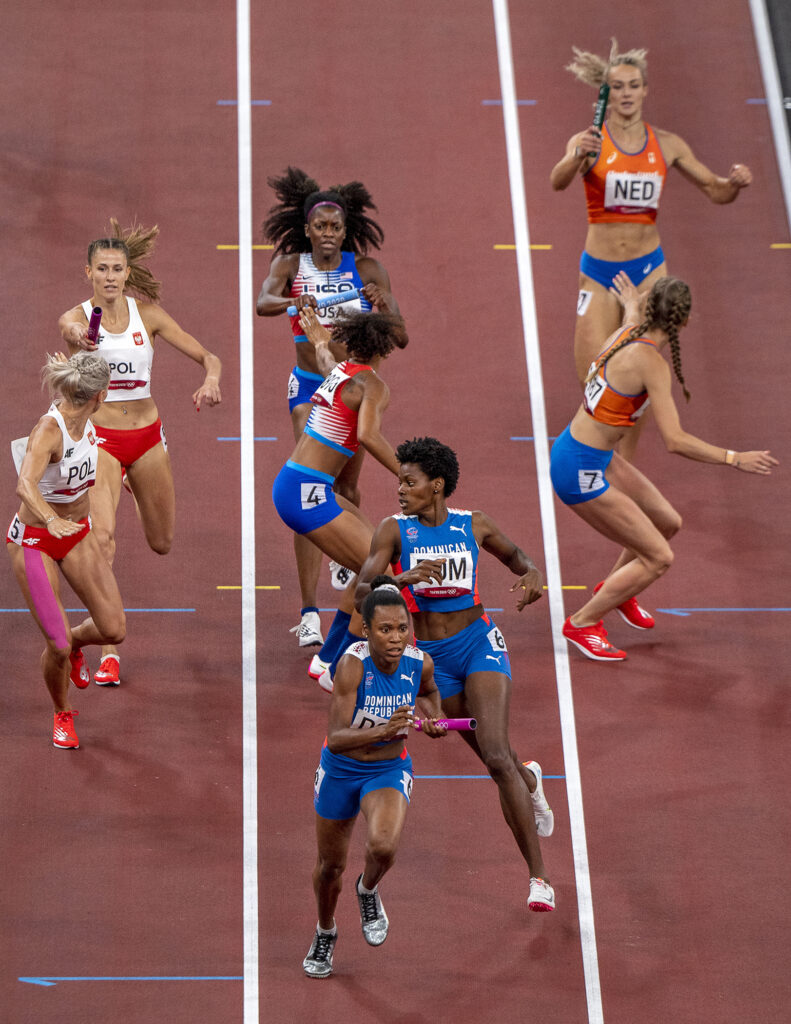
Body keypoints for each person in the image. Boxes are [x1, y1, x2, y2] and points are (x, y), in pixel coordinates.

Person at [355, 437, 556, 913]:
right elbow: (364, 585)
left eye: (410, 481)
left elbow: (522, 561)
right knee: (497, 760)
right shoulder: (394, 531)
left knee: (496, 756)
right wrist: (401, 580)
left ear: (436, 486)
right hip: (430, 659)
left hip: (478, 644)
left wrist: (532, 579)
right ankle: (530, 781)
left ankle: (539, 878)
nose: (400, 489)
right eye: (400, 481)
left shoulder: (474, 524)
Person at [550, 273, 777, 662]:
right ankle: (583, 623)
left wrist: (632, 307)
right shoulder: (652, 364)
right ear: (683, 322)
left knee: (668, 523)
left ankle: (620, 587)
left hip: (588, 453)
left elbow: (627, 322)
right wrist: (733, 458)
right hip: (579, 470)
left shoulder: (627, 335)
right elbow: (675, 440)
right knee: (659, 557)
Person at [550, 39, 752, 460]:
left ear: (645, 91)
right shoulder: (590, 141)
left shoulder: (668, 144)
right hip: (600, 272)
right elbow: (557, 180)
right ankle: (597, 450)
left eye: (634, 85)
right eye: (618, 87)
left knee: (635, 374)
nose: (626, 93)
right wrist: (575, 158)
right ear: (606, 93)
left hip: (647, 272)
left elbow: (715, 191)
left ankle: (625, 466)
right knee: (593, 374)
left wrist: (733, 185)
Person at [57, 221, 222, 685]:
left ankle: (134, 482)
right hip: (102, 441)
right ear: (87, 272)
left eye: (117, 269)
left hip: (147, 438)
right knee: (103, 540)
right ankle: (105, 650)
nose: (110, 277)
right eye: (102, 269)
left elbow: (210, 356)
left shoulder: (147, 316)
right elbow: (69, 332)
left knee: (162, 542)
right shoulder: (76, 318)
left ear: (127, 273)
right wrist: (77, 339)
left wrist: (210, 379)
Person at [256, 168, 401, 648]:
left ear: (345, 230)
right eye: (319, 226)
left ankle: (345, 555)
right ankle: (308, 611)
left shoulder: (367, 270)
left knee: (347, 486)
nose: (327, 234)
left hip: (353, 383)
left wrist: (382, 307)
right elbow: (263, 303)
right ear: (307, 230)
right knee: (310, 484)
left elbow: (399, 333)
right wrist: (293, 300)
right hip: (312, 382)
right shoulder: (292, 266)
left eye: (335, 227)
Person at [303, 576, 447, 979]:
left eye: (402, 628)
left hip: (387, 768)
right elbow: (336, 737)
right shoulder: (352, 664)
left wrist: (434, 717)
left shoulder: (420, 662)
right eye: (385, 629)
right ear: (367, 632)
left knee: (383, 847)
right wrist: (383, 729)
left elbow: (431, 693)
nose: (396, 638)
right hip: (341, 770)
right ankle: (325, 930)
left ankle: (367, 890)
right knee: (330, 867)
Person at [272, 307, 408, 688]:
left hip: (300, 484)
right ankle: (337, 669)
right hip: (306, 492)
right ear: (385, 349)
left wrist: (318, 339)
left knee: (378, 557)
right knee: (379, 574)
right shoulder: (374, 384)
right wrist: (408, 474)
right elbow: (367, 435)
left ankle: (326, 659)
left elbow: (325, 357)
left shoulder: (341, 371)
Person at [7, 352, 126, 749]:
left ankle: (77, 643)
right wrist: (48, 517)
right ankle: (61, 712)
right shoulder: (49, 430)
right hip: (35, 540)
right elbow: (25, 484)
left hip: (77, 534)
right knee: (55, 645)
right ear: (100, 396)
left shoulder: (87, 419)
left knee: (113, 629)